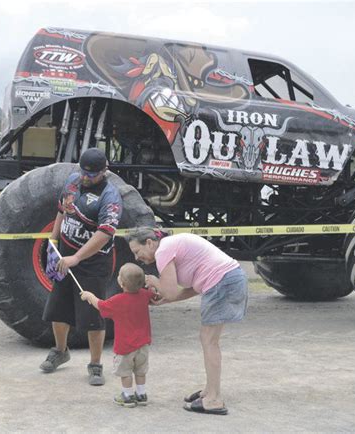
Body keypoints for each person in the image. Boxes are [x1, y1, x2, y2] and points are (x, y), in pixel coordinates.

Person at [127, 227, 248, 416]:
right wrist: (167, 298)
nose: (137, 258)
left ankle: (214, 400)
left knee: (209, 340)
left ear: (149, 243)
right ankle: (210, 391)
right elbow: (195, 286)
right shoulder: (171, 245)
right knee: (208, 339)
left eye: (137, 251)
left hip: (223, 282)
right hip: (227, 279)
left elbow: (171, 291)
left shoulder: (163, 251)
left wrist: (153, 281)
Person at [40, 147, 123, 387]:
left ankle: (96, 364)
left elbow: (105, 234)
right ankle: (60, 351)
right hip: (65, 255)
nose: (86, 178)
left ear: (103, 171)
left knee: (93, 314)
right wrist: (53, 242)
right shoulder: (72, 182)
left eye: (92, 175)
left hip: (94, 263)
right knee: (58, 307)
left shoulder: (110, 196)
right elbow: (61, 211)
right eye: (83, 172)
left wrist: (77, 257)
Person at [81, 263, 155, 408]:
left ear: (121, 282)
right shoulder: (145, 295)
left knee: (125, 372)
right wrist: (152, 288)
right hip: (144, 344)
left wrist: (90, 296)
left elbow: (101, 305)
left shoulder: (117, 301)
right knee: (140, 371)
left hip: (125, 346)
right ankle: (141, 394)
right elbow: (154, 296)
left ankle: (127, 396)